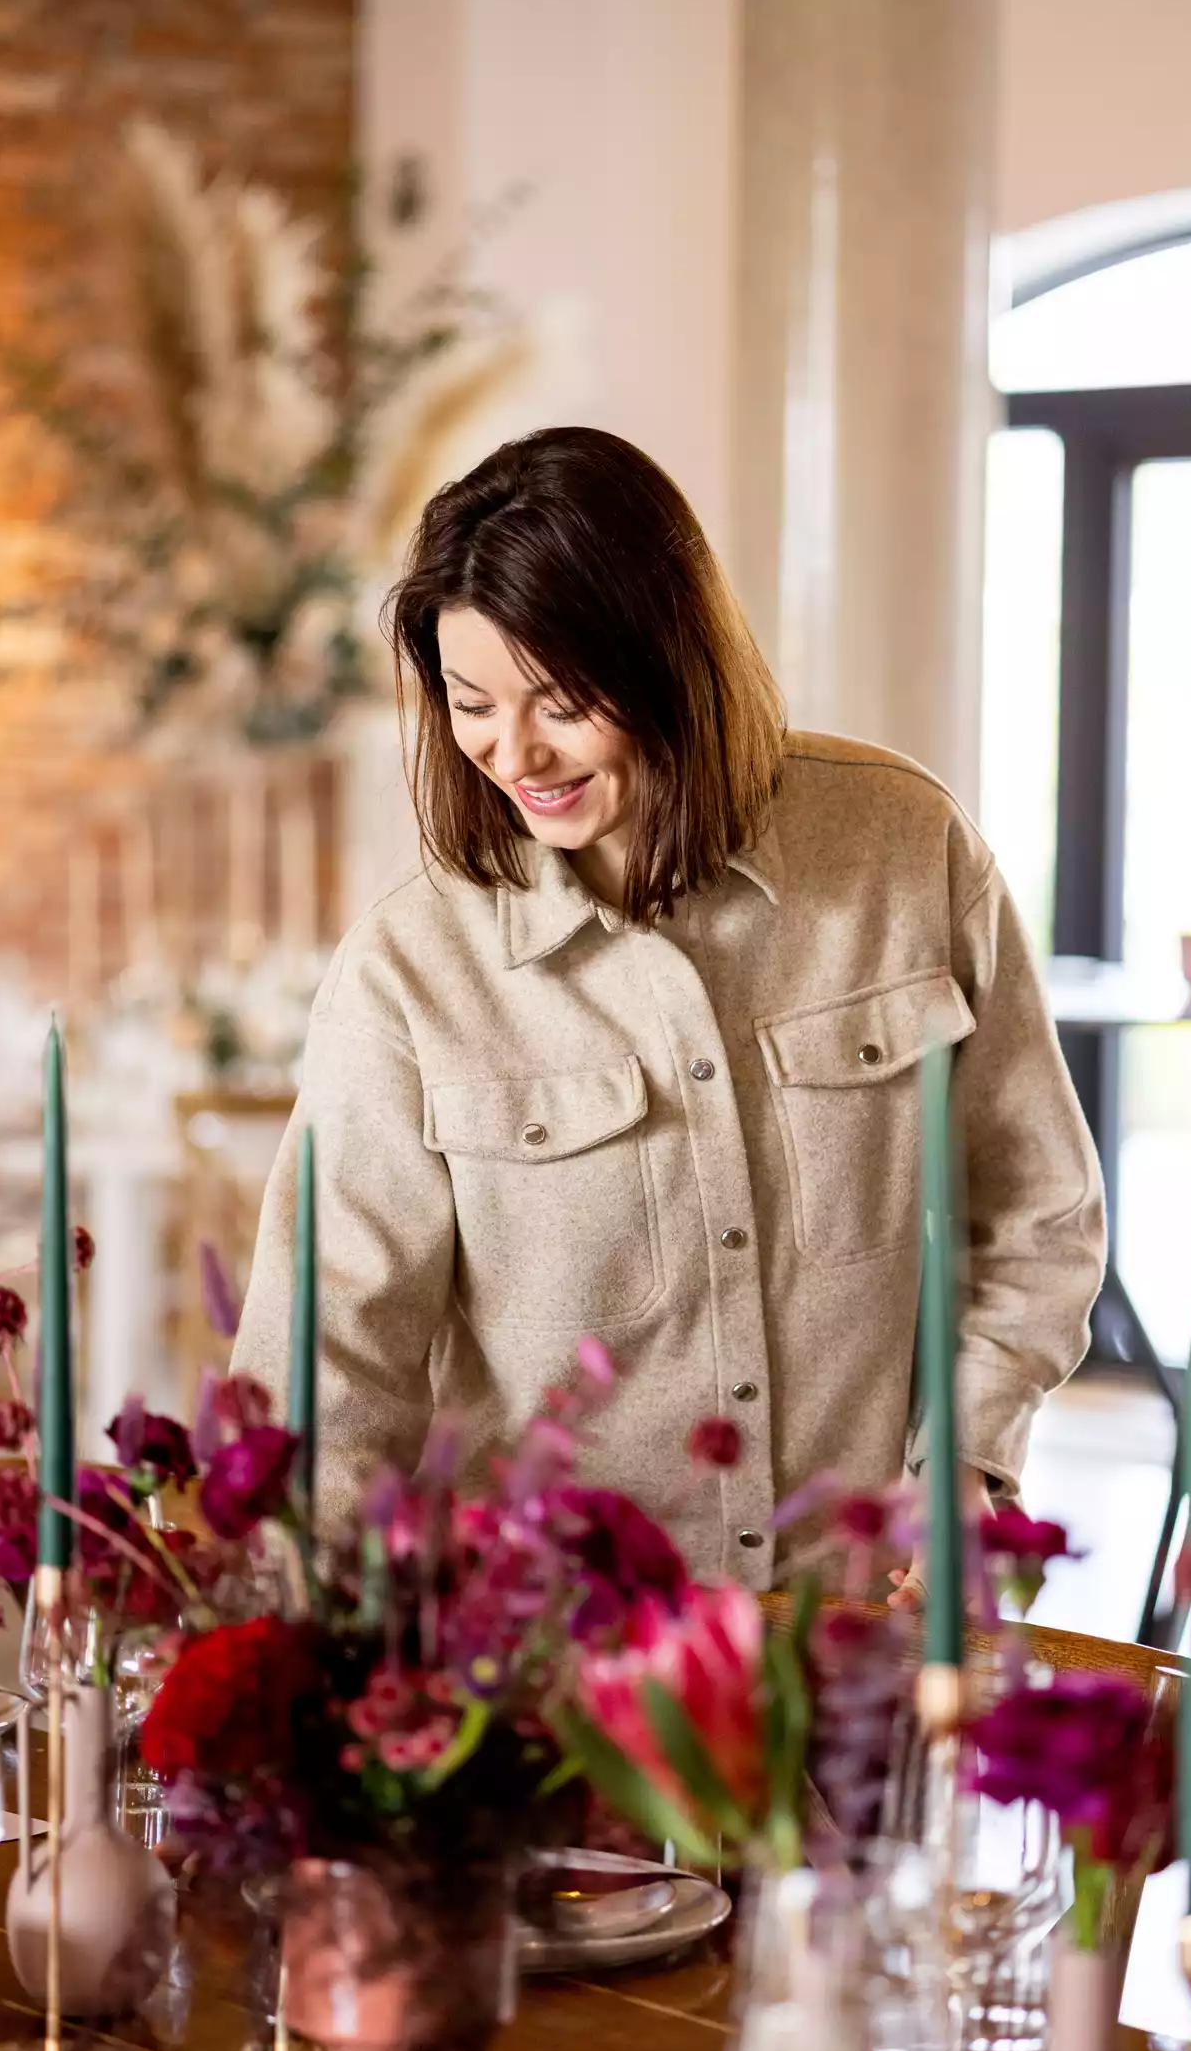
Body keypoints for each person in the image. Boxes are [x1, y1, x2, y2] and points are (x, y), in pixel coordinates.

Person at [234, 426, 1105, 1584]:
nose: (514, 750)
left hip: (854, 1650)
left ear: (669, 654)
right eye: (472, 701)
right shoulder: (410, 971)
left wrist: (968, 1460)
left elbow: (1040, 1212)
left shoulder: (906, 850)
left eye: (557, 698)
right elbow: (328, 1370)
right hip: (554, 1684)